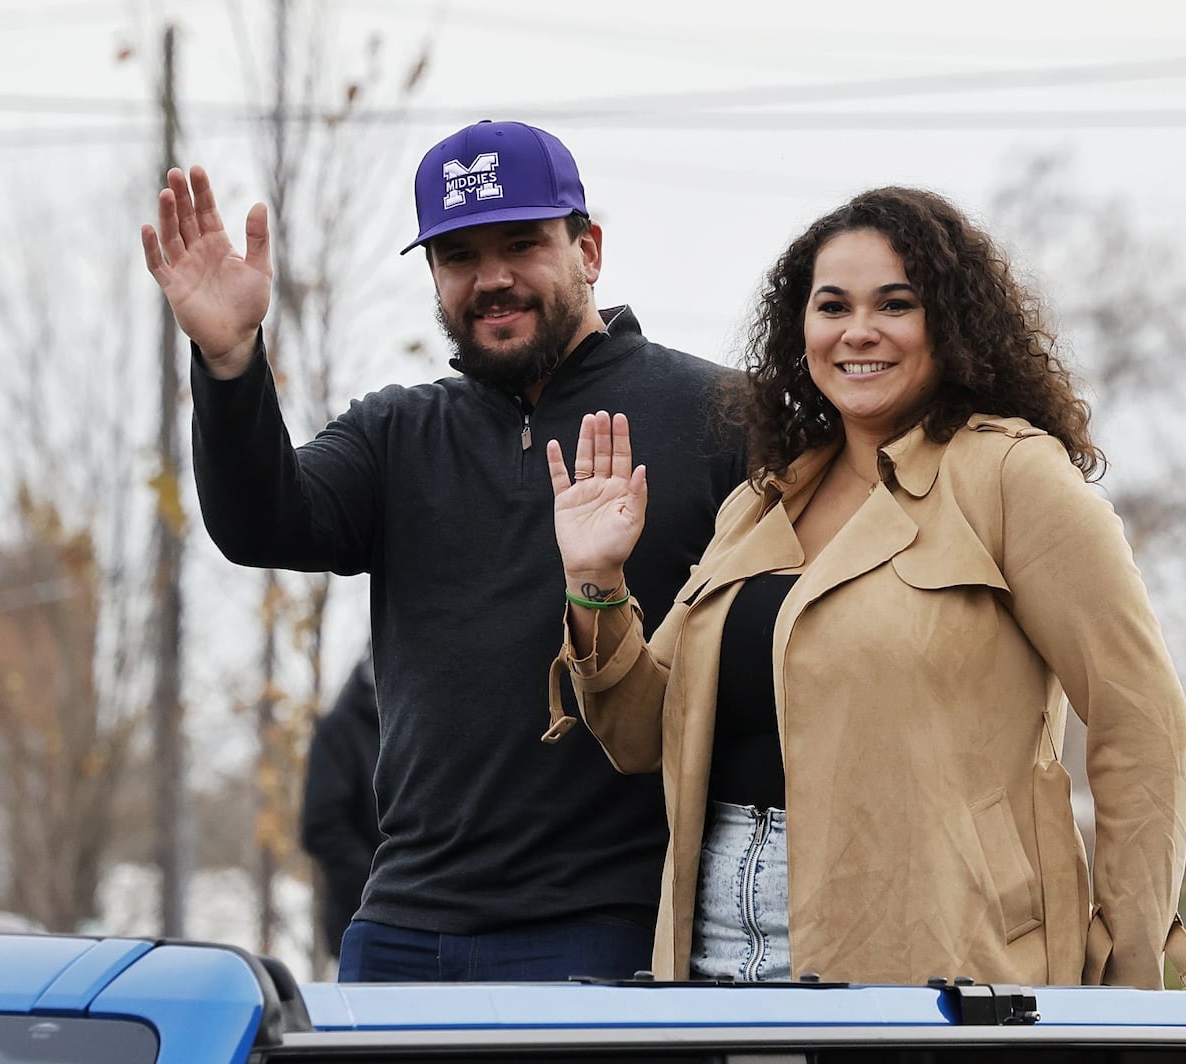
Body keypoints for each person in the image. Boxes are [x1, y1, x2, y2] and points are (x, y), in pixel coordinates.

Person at [544, 186, 1186, 989]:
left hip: (937, 961)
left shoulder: (1012, 476)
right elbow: (644, 736)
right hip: (715, 955)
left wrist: (1127, 971)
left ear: (951, 324)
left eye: (896, 304)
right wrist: (597, 581)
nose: (859, 331)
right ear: (803, 331)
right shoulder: (761, 501)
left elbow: (1143, 723)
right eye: (833, 306)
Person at [140, 120, 745, 981]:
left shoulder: (721, 417)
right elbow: (262, 523)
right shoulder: (397, 433)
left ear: (589, 249)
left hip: (609, 925)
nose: (491, 278)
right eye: (458, 254)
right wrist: (230, 360)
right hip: (403, 925)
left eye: (522, 244)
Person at [300, 653, 383, 961]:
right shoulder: (339, 730)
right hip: (361, 919)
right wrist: (378, 882)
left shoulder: (423, 728)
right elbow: (321, 826)